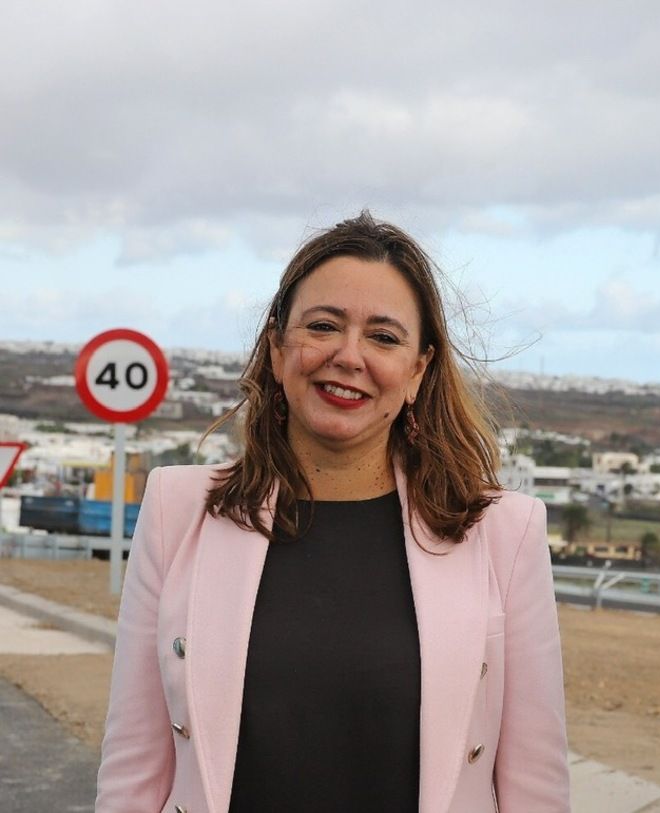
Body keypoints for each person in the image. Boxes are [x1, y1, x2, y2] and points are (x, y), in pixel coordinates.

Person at [96, 212, 570, 812]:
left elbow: (537, 788)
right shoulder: (176, 510)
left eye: (384, 336)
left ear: (419, 371)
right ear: (276, 346)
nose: (349, 357)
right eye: (323, 326)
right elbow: (133, 771)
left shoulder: (504, 533)